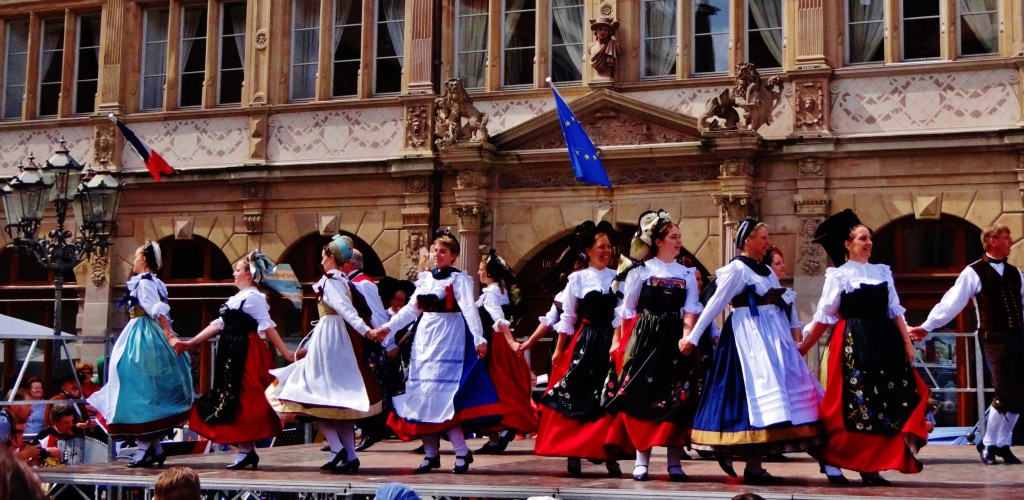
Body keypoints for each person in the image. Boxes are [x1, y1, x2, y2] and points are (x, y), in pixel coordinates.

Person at [682, 218, 822, 485]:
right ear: (748, 241)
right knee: (742, 396)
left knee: (766, 401)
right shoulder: (737, 269)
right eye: (763, 237)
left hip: (770, 337)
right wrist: (693, 337)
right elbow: (715, 305)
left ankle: (755, 466)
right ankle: (728, 449)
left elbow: (783, 304)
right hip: (746, 338)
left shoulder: (766, 271)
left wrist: (792, 336)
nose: (767, 242)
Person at [800, 209, 930, 485]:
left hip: (884, 341)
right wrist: (803, 346)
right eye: (862, 238)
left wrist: (907, 343)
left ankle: (872, 465)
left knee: (886, 401)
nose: (868, 243)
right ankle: (838, 457)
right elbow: (824, 315)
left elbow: (894, 310)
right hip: (853, 341)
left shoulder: (882, 271)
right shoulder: (839, 275)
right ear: (848, 244)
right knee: (855, 404)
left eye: (869, 238)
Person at [366, 230, 499, 474]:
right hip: (425, 338)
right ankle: (430, 454)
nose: (437, 255)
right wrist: (387, 328)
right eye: (435, 250)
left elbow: (469, 310)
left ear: (454, 256)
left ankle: (460, 451)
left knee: (443, 396)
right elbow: (410, 310)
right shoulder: (426, 280)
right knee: (422, 395)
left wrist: (479, 338)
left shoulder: (459, 279)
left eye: (443, 251)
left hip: (449, 337)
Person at [908, 222, 1023, 465]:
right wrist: (927, 326)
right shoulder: (974, 271)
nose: (1010, 241)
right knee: (1004, 391)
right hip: (993, 338)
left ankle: (1004, 442)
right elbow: (952, 302)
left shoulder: (1016, 274)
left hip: (1017, 337)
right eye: (1006, 237)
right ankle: (989, 444)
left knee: (1019, 392)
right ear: (992, 240)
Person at [268, 235, 383, 474]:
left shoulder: (331, 282)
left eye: (323, 256)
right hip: (338, 342)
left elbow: (346, 311)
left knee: (303, 397)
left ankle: (337, 447)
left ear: (331, 257)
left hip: (330, 343)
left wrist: (367, 332)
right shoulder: (343, 281)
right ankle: (349, 456)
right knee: (337, 403)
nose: (321, 261)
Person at [605, 211, 701, 482]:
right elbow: (628, 310)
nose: (679, 241)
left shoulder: (687, 272)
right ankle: (641, 460)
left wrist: (687, 337)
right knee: (641, 396)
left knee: (676, 398)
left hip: (675, 341)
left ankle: (674, 462)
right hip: (646, 337)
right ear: (658, 241)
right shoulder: (641, 271)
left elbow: (691, 309)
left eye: (680, 236)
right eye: (674, 236)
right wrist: (626, 345)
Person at [177, 250, 295, 470]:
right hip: (231, 349)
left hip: (244, 350)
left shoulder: (253, 298)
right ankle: (246, 451)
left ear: (249, 275)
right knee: (232, 396)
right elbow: (218, 324)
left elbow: (267, 325)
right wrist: (192, 342)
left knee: (245, 397)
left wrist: (286, 353)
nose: (233, 273)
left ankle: (245, 451)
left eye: (238, 269)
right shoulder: (238, 299)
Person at [535, 220, 631, 477]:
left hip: (608, 341)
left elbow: (620, 314)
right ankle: (574, 452)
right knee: (577, 394)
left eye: (609, 246)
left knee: (606, 397)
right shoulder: (577, 279)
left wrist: (617, 341)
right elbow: (567, 316)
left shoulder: (617, 277)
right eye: (601, 246)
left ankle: (608, 454)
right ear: (588, 250)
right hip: (584, 341)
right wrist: (559, 349)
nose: (607, 250)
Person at [88, 241, 193, 468]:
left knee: (136, 387)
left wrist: (169, 334)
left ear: (144, 260)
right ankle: (154, 448)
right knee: (146, 390)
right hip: (148, 333)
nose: (134, 262)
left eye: (136, 258)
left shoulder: (144, 283)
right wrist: (169, 334)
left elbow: (157, 311)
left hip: (142, 335)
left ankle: (145, 450)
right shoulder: (155, 282)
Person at [474, 249, 538, 454]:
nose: (478, 272)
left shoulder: (492, 292)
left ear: (490, 273)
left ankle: (500, 434)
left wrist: (509, 341)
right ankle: (496, 439)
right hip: (499, 341)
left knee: (492, 388)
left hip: (495, 343)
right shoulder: (500, 291)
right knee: (500, 387)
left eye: (482, 269)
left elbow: (498, 319)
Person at [343, 249, 394, 453]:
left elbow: (377, 314)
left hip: (365, 342)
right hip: (351, 340)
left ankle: (371, 430)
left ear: (349, 264)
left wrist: (384, 343)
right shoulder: (345, 282)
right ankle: (345, 438)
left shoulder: (364, 283)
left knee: (366, 387)